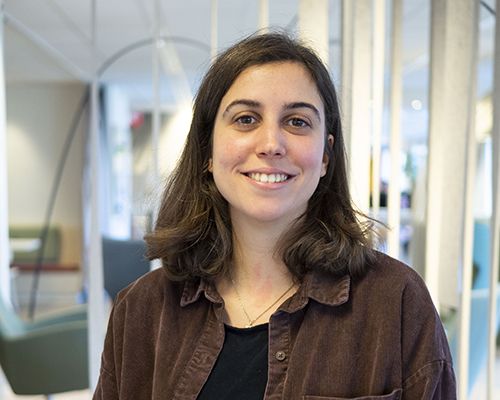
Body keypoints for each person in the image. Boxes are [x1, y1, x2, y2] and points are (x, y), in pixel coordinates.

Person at [93, 32, 456, 399]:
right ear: (208, 149)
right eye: (246, 119)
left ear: (325, 155)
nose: (271, 144)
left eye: (297, 122)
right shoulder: (141, 310)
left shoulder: (395, 301)